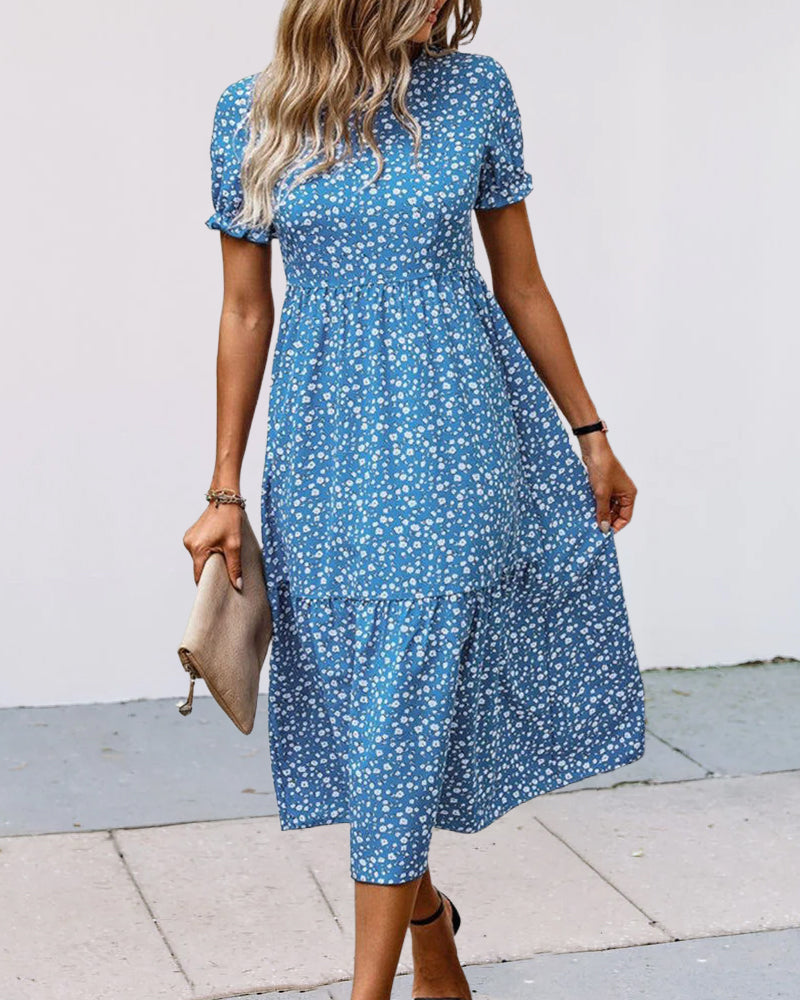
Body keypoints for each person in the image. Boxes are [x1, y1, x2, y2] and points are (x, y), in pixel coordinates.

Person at [182, 1, 646, 998]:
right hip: (321, 442)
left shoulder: (477, 94)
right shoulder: (252, 114)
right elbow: (244, 305)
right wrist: (223, 485)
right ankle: (426, 917)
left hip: (453, 428)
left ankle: (369, 989)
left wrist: (590, 434)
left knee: (402, 676)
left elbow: (519, 281)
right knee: (370, 698)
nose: (445, 9)